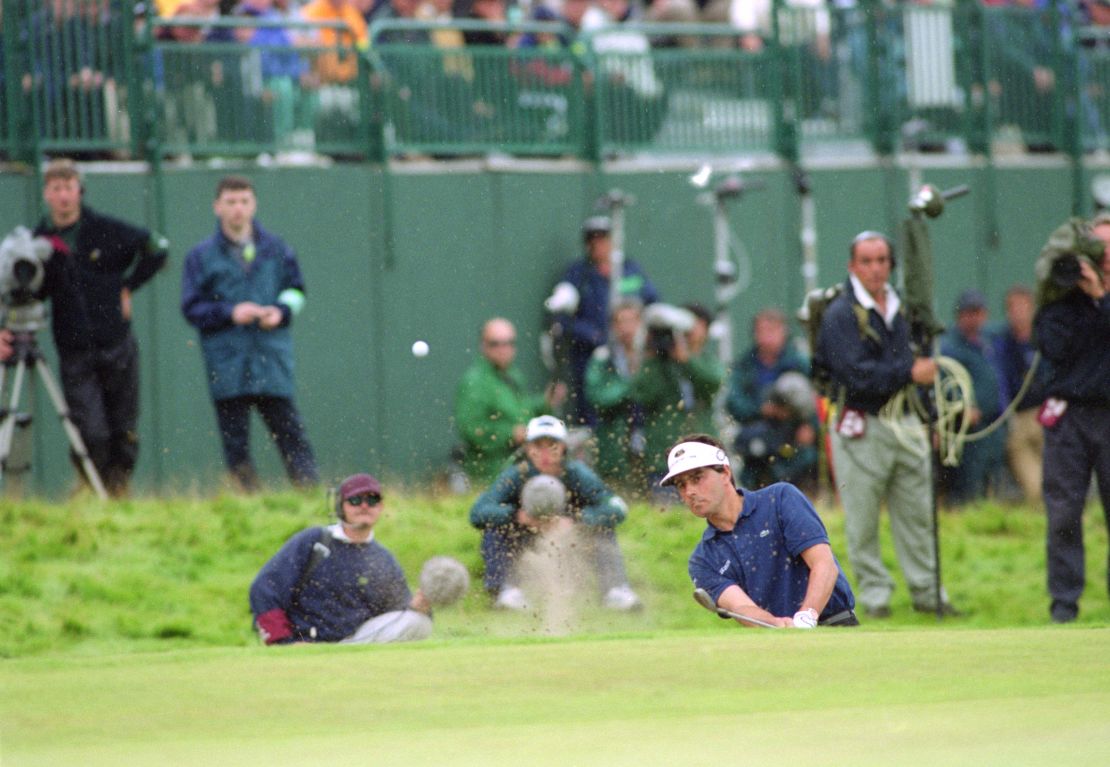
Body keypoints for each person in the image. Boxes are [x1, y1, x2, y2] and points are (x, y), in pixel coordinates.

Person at [813, 231, 957, 618]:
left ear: (891, 265)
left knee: (918, 516)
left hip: (907, 422)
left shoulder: (907, 310)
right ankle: (875, 600)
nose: (875, 269)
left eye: (882, 260)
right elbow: (855, 375)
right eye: (867, 261)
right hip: (862, 426)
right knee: (862, 520)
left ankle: (929, 594)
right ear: (852, 266)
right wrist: (910, 371)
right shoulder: (840, 315)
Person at [33, 158, 169, 496]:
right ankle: (90, 489)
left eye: (69, 188)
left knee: (124, 429)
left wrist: (128, 285)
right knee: (90, 431)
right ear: (47, 194)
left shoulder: (105, 230)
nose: (63, 196)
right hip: (74, 350)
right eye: (56, 189)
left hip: (116, 343)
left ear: (80, 191)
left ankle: (118, 492)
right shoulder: (40, 241)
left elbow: (157, 247)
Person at [181, 175, 319, 491]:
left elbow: (296, 291)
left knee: (292, 436)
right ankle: (247, 502)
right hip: (227, 365)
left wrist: (280, 312)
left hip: (272, 360)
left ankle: (310, 496)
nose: (237, 209)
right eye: (230, 202)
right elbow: (191, 308)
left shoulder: (278, 249)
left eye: (243, 201)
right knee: (235, 445)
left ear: (253, 204)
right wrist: (230, 312)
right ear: (217, 207)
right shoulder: (200, 256)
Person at [663, 434, 858, 628]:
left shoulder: (780, 499)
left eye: (697, 478)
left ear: (725, 473)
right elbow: (741, 607)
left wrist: (807, 616)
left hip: (835, 625)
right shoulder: (703, 559)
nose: (690, 492)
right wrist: (777, 624)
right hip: (777, 639)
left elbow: (824, 564)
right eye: (681, 485)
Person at [469, 415, 641, 611]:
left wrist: (577, 520)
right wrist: (516, 516)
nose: (545, 453)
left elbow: (616, 508)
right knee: (495, 529)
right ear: (527, 449)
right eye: (537, 445)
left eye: (552, 445)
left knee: (603, 529)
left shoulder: (577, 474)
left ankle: (615, 589)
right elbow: (478, 512)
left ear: (563, 448)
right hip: (525, 540)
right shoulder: (515, 475)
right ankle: (506, 592)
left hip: (570, 540)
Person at [249, 472, 434, 644]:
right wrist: (285, 643)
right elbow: (264, 589)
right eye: (355, 500)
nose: (364, 506)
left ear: (381, 507)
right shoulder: (314, 542)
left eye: (372, 499)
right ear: (340, 506)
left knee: (419, 621)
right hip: (306, 642)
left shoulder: (383, 558)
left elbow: (393, 612)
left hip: (358, 642)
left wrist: (417, 607)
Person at [1034, 215, 1110, 624]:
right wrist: (1079, 295)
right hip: (1070, 419)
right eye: (1098, 248)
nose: (1105, 256)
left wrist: (1102, 299)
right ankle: (1064, 607)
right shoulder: (1061, 296)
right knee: (1064, 513)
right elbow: (1051, 346)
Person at [557, 215, 659, 426]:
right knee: (600, 404)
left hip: (633, 352)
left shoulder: (630, 269)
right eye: (592, 240)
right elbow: (562, 318)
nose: (598, 245)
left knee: (639, 397)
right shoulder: (578, 274)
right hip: (596, 355)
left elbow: (652, 301)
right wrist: (593, 336)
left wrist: (643, 335)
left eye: (603, 239)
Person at [454, 317, 565, 484]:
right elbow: (471, 429)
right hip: (491, 473)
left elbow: (523, 410)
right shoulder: (475, 381)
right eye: (495, 344)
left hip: (524, 466)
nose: (503, 349)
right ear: (483, 346)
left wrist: (545, 403)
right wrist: (511, 434)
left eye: (509, 343)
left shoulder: (513, 375)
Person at [633, 303, 724, 489]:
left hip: (702, 450)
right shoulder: (658, 364)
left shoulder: (707, 360)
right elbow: (642, 394)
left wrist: (687, 361)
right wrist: (652, 356)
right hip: (665, 454)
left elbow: (713, 384)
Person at [725, 307, 816, 490]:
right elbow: (733, 401)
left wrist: (810, 425)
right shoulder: (745, 365)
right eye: (762, 331)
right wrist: (761, 409)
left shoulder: (799, 363)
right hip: (757, 436)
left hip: (793, 437)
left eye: (773, 331)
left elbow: (817, 398)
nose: (767, 337)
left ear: (784, 333)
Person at [939, 289, 1007, 506]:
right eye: (969, 313)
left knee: (993, 475)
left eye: (978, 313)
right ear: (960, 316)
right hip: (970, 426)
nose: (974, 318)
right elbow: (947, 381)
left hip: (994, 421)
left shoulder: (988, 340)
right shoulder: (950, 346)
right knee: (969, 479)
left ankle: (988, 514)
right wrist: (965, 406)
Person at [583, 299, 646, 491]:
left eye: (631, 321)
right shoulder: (603, 358)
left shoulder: (650, 356)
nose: (627, 328)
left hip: (647, 443)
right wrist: (630, 386)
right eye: (621, 322)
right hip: (612, 445)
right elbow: (596, 396)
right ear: (613, 326)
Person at [994, 284, 1045, 504]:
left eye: (1023, 307)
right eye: (1013, 308)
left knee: (1058, 478)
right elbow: (1001, 383)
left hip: (1047, 415)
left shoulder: (1044, 339)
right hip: (1019, 417)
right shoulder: (1002, 344)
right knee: (1034, 487)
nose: (1019, 313)